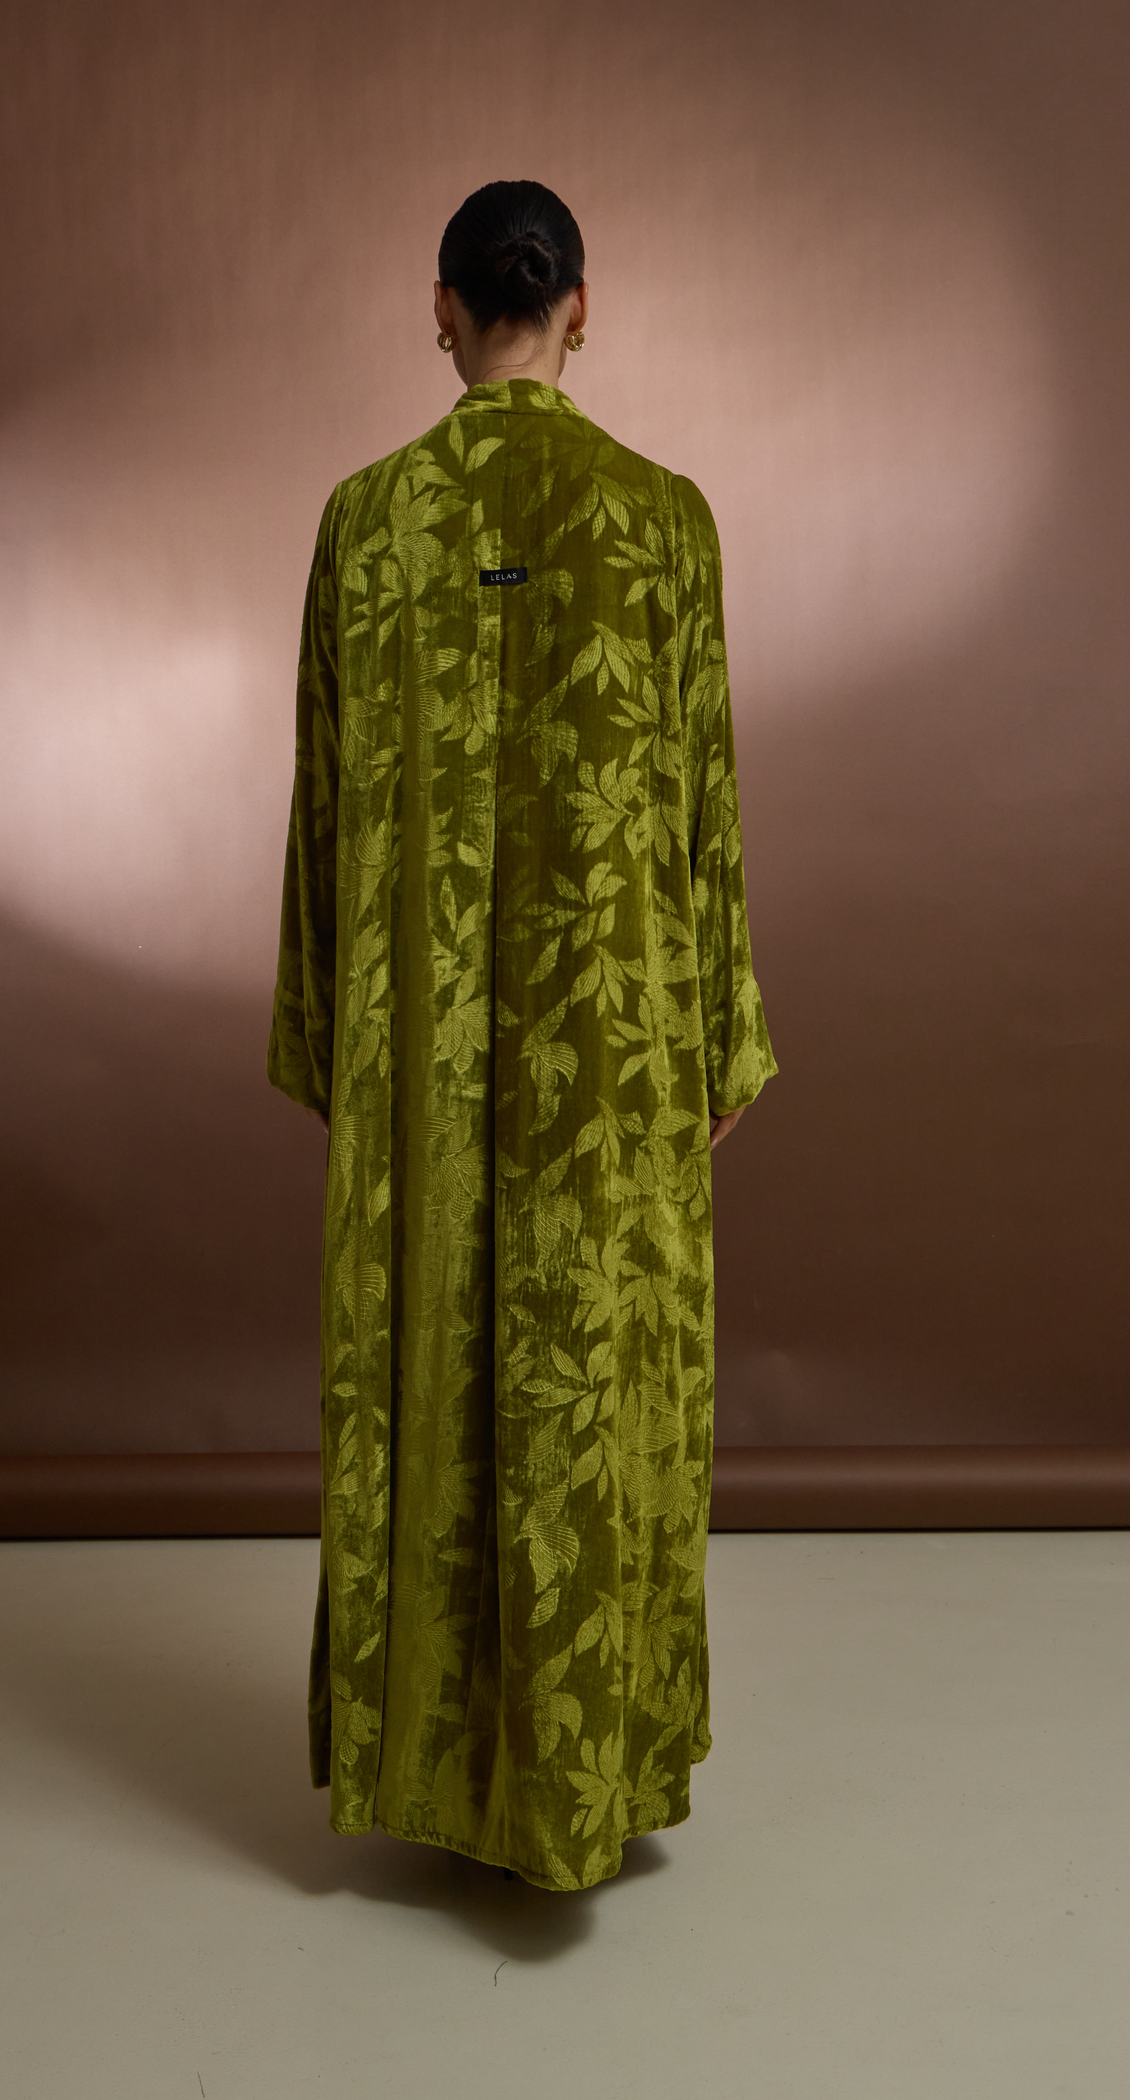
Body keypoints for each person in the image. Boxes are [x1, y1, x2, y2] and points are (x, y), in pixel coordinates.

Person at [268, 179, 776, 1891]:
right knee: (597, 1384)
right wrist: (715, 1033)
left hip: (415, 1049)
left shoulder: (366, 523)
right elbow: (704, 805)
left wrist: (336, 1041)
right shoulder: (665, 522)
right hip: (616, 1048)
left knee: (429, 1365)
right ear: (580, 307)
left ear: (441, 308)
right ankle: (586, 1765)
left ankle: (431, 1763)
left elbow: (324, 811)